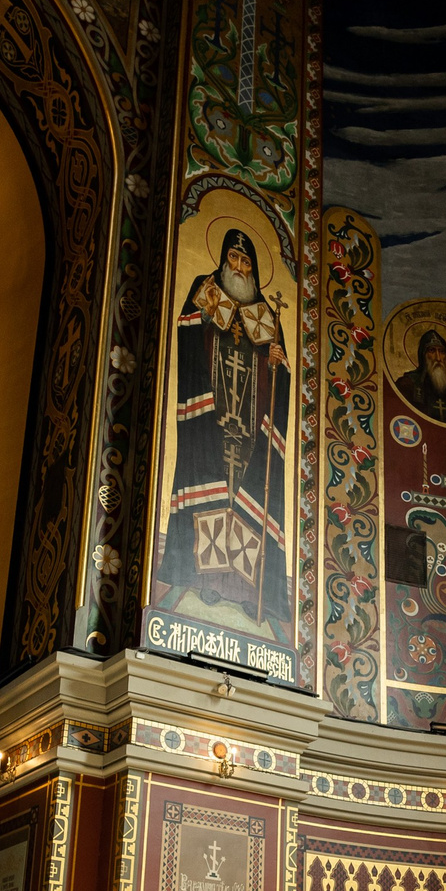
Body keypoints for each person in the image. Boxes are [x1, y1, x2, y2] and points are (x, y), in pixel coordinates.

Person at [160, 227, 291, 628]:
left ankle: (246, 591)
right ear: (222, 259)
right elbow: (186, 328)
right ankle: (207, 582)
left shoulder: (266, 314)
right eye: (233, 258)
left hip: (249, 427)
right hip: (212, 418)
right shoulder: (207, 290)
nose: (239, 266)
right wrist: (202, 319)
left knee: (246, 495)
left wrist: (277, 363)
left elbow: (280, 374)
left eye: (246, 261)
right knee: (212, 488)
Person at [392, 329, 446, 416]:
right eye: (432, 351)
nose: (438, 358)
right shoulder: (408, 384)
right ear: (423, 355)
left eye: (442, 352)